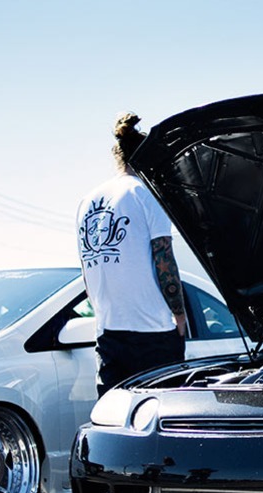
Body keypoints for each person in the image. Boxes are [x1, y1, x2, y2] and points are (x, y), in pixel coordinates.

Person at [76, 112, 188, 397]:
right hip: (153, 335)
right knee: (161, 423)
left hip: (108, 333)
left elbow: (86, 274)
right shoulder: (147, 194)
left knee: (114, 421)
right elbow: (165, 260)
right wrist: (180, 315)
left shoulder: (87, 201)